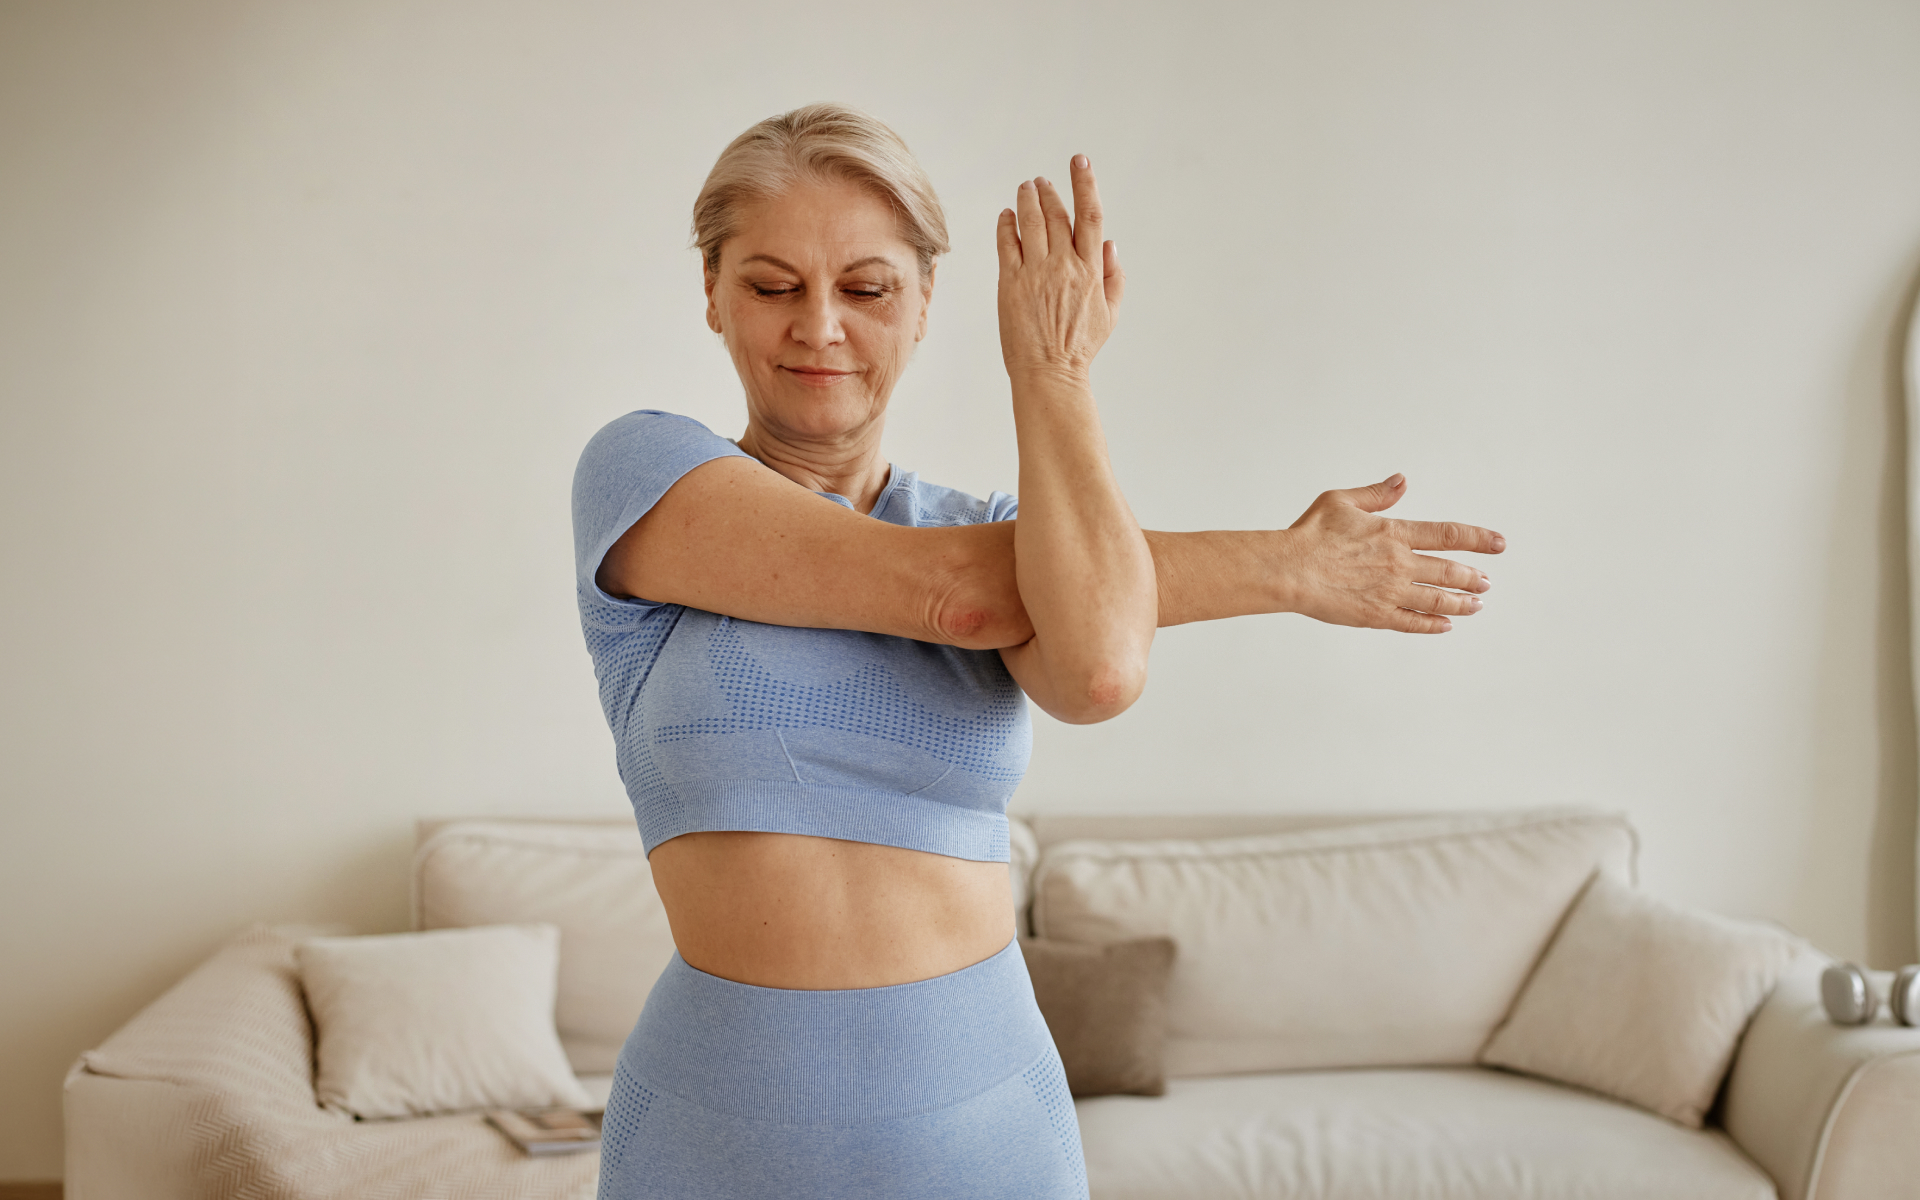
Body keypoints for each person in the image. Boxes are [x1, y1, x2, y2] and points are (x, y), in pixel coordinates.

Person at [572, 102, 1504, 1200]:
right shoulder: (642, 478)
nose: (819, 327)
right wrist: (1287, 565)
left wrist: (1052, 375)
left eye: (867, 290)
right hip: (710, 1140)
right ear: (715, 297)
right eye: (773, 286)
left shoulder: (1005, 526)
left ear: (924, 310)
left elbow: (1102, 666)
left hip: (988, 1137)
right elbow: (952, 596)